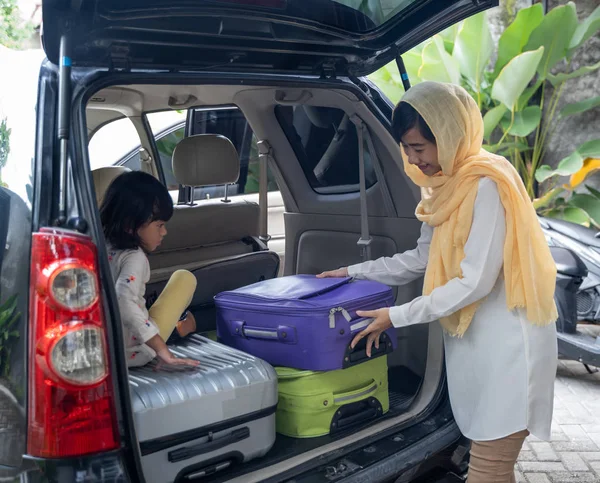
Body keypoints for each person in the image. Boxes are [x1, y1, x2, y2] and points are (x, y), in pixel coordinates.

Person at [318, 81, 558, 483]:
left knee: (488, 468)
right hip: (480, 350)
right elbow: (421, 258)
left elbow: (474, 282)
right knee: (493, 468)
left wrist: (396, 315)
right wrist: (352, 272)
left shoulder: (486, 184)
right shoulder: (443, 186)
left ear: (449, 134)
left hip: (510, 350)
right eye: (407, 149)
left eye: (420, 148)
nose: (414, 159)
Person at [100, 170, 199, 368]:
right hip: (131, 353)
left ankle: (181, 325)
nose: (164, 232)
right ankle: (180, 326)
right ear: (130, 224)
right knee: (184, 278)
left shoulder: (97, 244)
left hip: (99, 352)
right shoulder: (134, 256)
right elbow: (123, 301)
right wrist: (161, 350)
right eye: (159, 225)